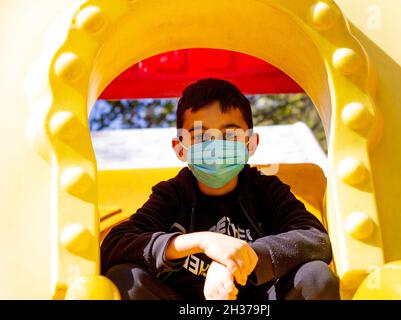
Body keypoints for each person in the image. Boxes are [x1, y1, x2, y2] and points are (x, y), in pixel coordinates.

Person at [101, 78, 340, 300]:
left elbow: (315, 239)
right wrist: (202, 242)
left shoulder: (266, 189)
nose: (216, 145)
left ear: (251, 143)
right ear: (180, 148)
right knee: (125, 277)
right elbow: (116, 246)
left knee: (315, 275)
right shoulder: (172, 194)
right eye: (200, 136)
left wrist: (235, 261)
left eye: (230, 135)